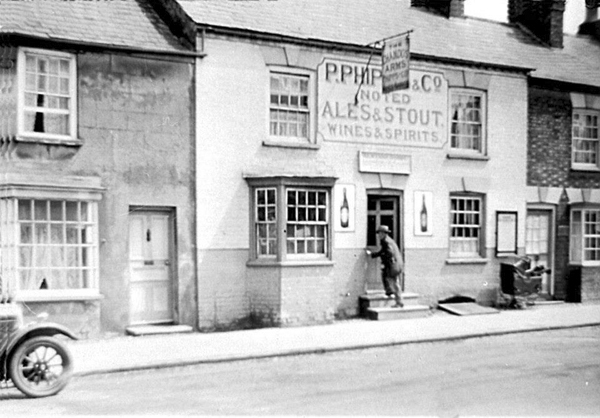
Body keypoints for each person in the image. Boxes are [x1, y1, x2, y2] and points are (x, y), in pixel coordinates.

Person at [366, 225, 404, 308]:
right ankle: (391, 294)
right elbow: (383, 251)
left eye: (379, 233)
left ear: (383, 233)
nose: (378, 235)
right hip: (396, 264)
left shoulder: (386, 242)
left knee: (394, 283)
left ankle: (398, 301)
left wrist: (384, 261)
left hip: (393, 265)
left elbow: (388, 253)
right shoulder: (388, 240)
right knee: (389, 278)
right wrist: (374, 255)